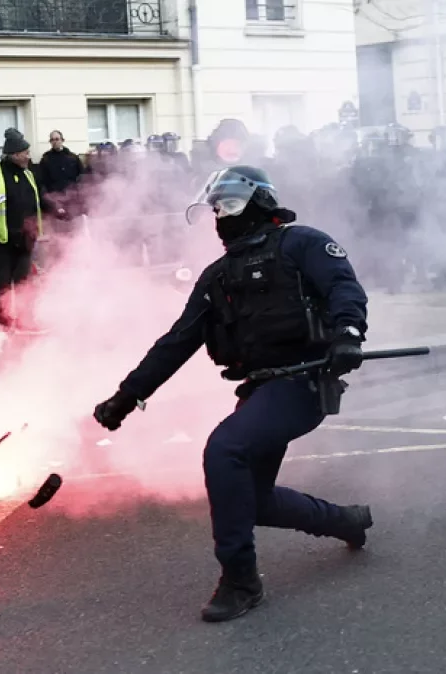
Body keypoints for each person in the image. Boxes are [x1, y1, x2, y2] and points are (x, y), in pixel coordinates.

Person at [92, 165, 373, 623]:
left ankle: (241, 581)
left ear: (261, 202)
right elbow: (177, 341)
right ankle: (345, 520)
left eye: (231, 205)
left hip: (302, 382)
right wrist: (128, 396)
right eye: (216, 208)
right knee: (252, 498)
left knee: (225, 451)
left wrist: (347, 334)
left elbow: (344, 286)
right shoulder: (217, 276)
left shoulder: (302, 242)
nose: (222, 216)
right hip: (260, 387)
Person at [0, 128, 63, 329]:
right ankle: (3, 324)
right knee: (3, 287)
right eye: (25, 152)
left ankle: (25, 320)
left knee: (25, 285)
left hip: (26, 240)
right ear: (15, 154)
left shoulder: (28, 174)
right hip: (2, 243)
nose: (28, 156)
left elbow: (37, 200)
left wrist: (56, 209)